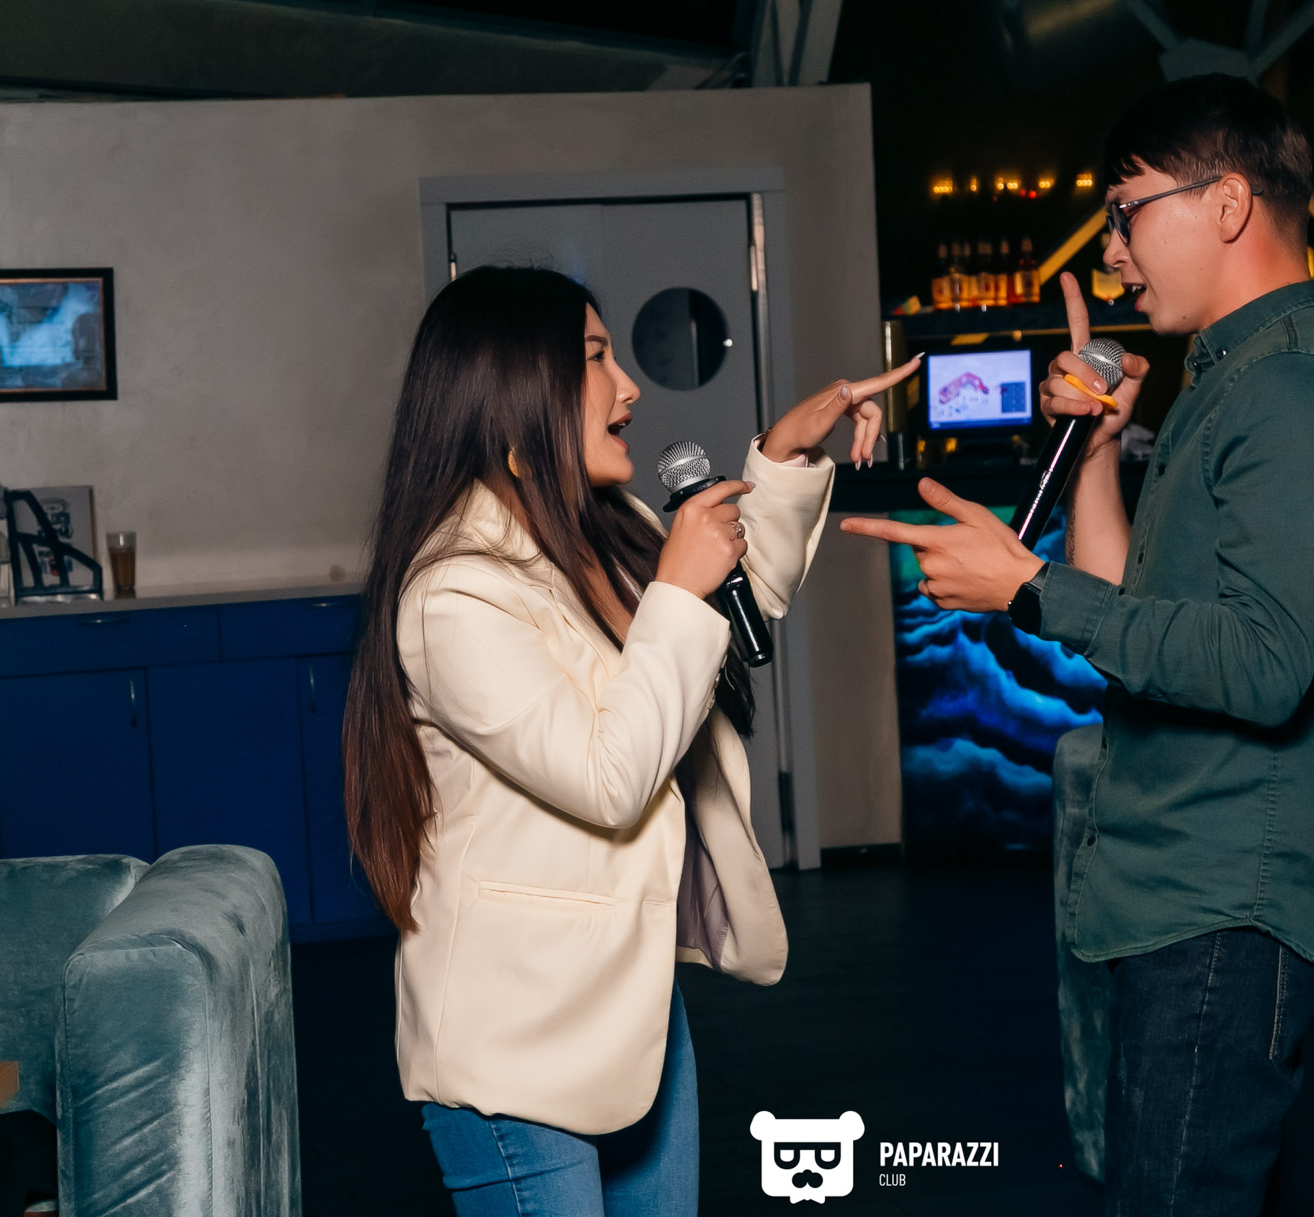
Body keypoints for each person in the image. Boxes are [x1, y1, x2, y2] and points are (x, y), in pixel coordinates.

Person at [842, 75, 1314, 1214]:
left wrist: (1027, 585)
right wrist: (1098, 449)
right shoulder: (1231, 378)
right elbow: (1128, 612)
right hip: (1191, 887)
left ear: (1228, 204)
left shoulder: (1289, 394)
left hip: (1230, 899)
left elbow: (1262, 666)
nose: (1111, 253)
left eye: (1126, 212)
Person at [342, 265, 915, 1215]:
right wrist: (679, 590)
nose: (629, 387)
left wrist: (781, 455)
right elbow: (610, 776)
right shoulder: (452, 593)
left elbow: (721, 621)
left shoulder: (604, 532)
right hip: (513, 1036)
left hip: (633, 1009)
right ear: (515, 391)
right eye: (596, 358)